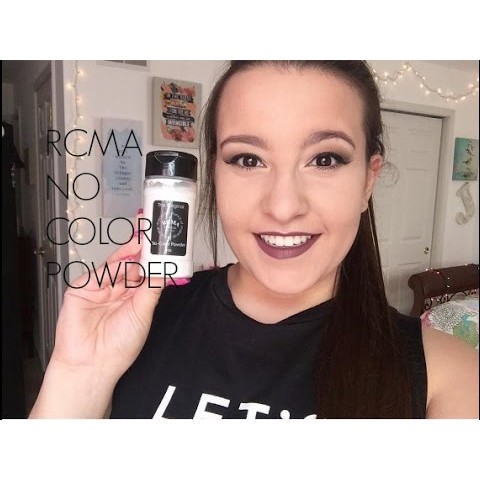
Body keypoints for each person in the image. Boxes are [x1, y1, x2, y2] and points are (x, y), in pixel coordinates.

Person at [30, 61, 478, 419]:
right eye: (248, 159)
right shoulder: (140, 322)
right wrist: (80, 371)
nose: (283, 207)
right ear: (214, 175)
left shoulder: (448, 376)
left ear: (367, 181)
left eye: (324, 159)